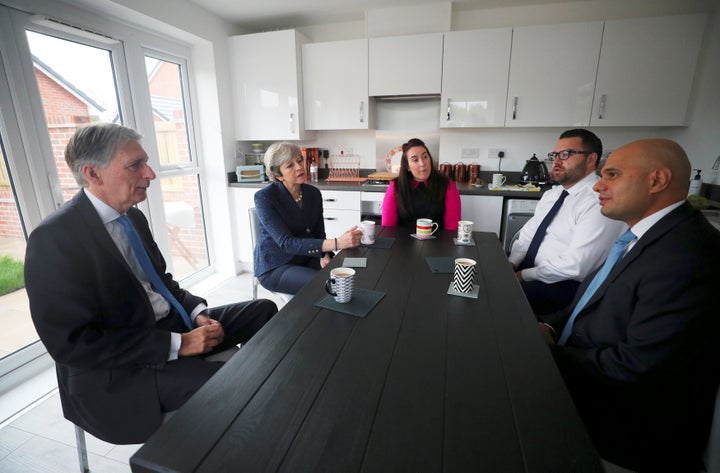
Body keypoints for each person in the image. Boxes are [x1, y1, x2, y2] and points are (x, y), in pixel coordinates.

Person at [24, 124, 277, 445]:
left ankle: (273, 393)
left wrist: (196, 313)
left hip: (165, 328)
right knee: (235, 384)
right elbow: (72, 345)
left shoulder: (132, 217)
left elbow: (162, 282)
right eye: (135, 165)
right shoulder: (55, 239)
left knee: (264, 310)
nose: (151, 174)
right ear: (93, 174)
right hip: (118, 374)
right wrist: (178, 345)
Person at [539, 139, 720, 472]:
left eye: (613, 174)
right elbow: (590, 299)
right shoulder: (644, 235)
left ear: (657, 181)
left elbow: (638, 365)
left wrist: (544, 356)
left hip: (624, 432)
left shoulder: (687, 256)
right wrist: (546, 328)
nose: (599, 185)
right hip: (591, 381)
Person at [508, 129, 626, 315]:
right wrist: (511, 265)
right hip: (531, 272)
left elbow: (576, 265)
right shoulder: (552, 194)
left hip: (563, 285)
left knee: (497, 299)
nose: (556, 161)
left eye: (566, 154)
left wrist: (522, 276)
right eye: (555, 155)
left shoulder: (598, 201)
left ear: (591, 159)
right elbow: (528, 235)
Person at [254, 142, 362, 295]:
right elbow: (287, 244)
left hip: (307, 257)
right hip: (276, 266)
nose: (299, 167)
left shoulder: (313, 193)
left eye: (299, 160)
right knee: (330, 286)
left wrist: (324, 255)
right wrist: (337, 243)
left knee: (351, 277)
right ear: (278, 175)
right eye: (289, 165)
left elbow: (318, 233)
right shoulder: (265, 197)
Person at [381, 138, 461, 231]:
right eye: (415, 160)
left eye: (425, 157)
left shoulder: (446, 185)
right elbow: (388, 228)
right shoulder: (396, 186)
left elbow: (452, 228)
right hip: (403, 243)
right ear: (407, 166)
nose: (422, 163)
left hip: (438, 243)